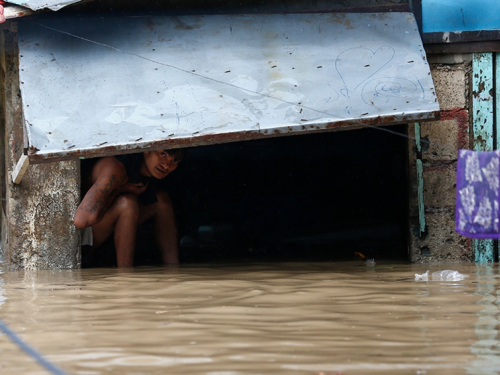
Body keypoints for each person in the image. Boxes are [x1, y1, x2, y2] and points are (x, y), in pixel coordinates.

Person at [74, 149, 184, 267]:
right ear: (146, 150)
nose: (167, 165)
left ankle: (173, 268)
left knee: (161, 201)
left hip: (106, 231)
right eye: (163, 154)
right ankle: (125, 274)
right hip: (81, 239)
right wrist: (119, 190)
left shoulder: (142, 171)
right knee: (127, 203)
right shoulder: (115, 168)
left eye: (175, 160)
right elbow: (81, 221)